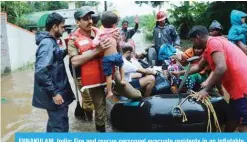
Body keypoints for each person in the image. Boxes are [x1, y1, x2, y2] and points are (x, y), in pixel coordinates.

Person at [67, 6, 142, 132]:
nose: (90, 21)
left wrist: (117, 42)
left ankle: (124, 112)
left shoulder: (102, 31)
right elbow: (74, 62)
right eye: (85, 19)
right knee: (99, 113)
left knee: (135, 95)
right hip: (94, 81)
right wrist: (97, 50)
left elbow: (118, 52)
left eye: (90, 18)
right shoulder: (73, 39)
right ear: (77, 22)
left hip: (112, 75)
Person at [173, 25, 247, 132]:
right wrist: (180, 73)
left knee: (243, 125)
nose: (193, 44)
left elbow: (221, 68)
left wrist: (206, 90)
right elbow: (199, 67)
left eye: (193, 40)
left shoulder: (213, 43)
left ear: (198, 37)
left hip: (242, 88)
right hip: (237, 89)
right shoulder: (211, 46)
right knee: (231, 120)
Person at [32, 12, 75, 132]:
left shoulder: (51, 42)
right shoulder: (47, 43)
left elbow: (54, 58)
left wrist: (66, 51)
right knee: (60, 128)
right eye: (62, 27)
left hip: (56, 93)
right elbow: (41, 70)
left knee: (54, 125)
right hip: (56, 95)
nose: (63, 29)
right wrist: (54, 93)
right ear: (54, 27)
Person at [92, 11, 125, 98]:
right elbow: (120, 44)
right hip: (116, 55)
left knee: (108, 76)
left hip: (107, 58)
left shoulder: (101, 32)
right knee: (121, 66)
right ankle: (123, 80)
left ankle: (109, 92)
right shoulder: (116, 31)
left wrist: (94, 44)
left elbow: (94, 43)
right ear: (114, 24)